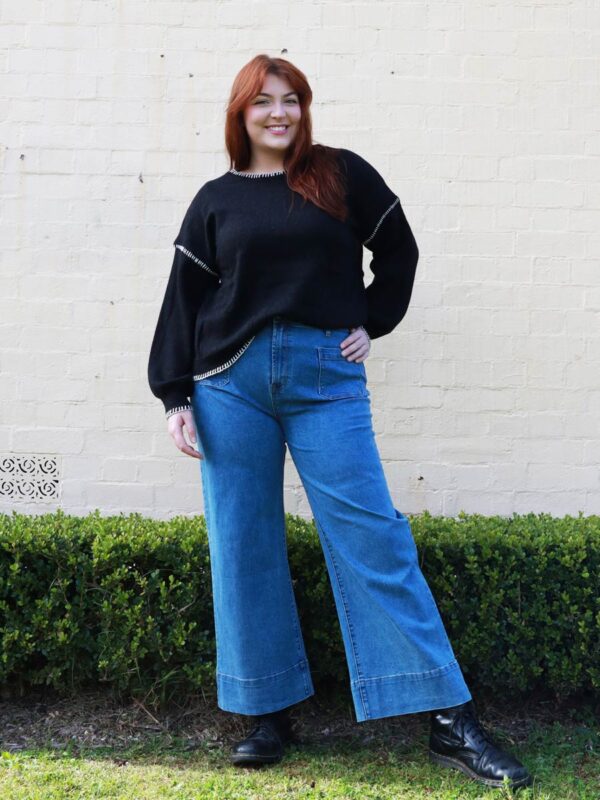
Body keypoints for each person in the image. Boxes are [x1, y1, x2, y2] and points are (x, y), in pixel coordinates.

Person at [147, 54, 533, 792]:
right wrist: (174, 397)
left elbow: (400, 251)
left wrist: (374, 320)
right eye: (263, 103)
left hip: (328, 379)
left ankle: (449, 719)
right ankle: (268, 711)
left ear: (305, 109)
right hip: (229, 383)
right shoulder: (215, 200)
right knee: (242, 542)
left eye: (291, 100)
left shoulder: (340, 174)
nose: (279, 114)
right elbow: (183, 299)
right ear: (241, 113)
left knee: (372, 534)